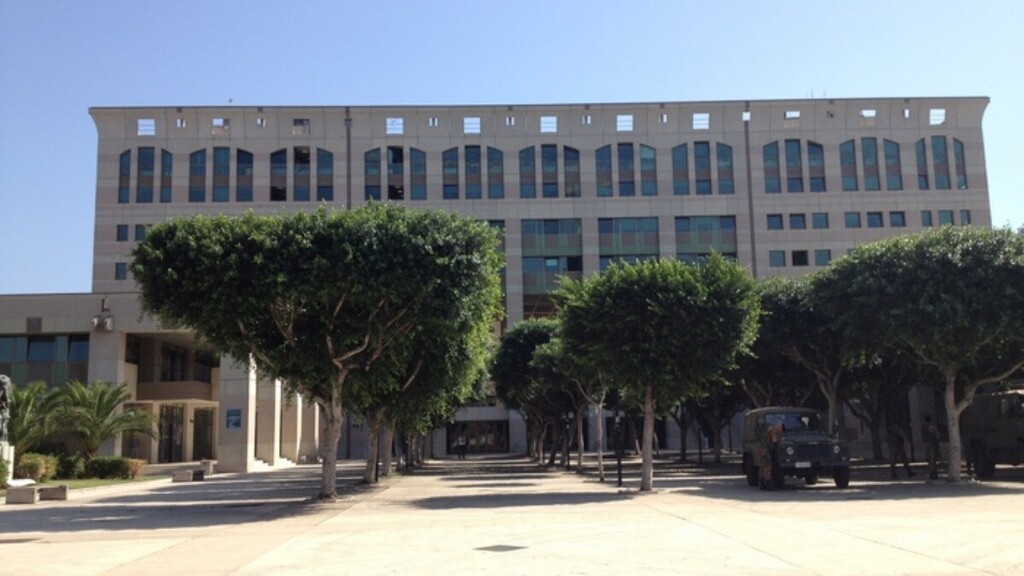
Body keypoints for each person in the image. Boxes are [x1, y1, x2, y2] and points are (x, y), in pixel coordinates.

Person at [757, 417, 785, 489]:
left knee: (763, 467)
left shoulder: (767, 429)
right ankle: (769, 484)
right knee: (768, 467)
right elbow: (774, 440)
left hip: (762, 449)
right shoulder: (774, 430)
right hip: (767, 451)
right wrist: (781, 440)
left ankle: (762, 483)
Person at [922, 416, 941, 480]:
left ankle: (934, 473)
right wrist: (937, 446)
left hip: (926, 444)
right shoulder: (933, 427)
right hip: (932, 444)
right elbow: (937, 437)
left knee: (929, 459)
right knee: (933, 459)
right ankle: (932, 473)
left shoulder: (923, 427)